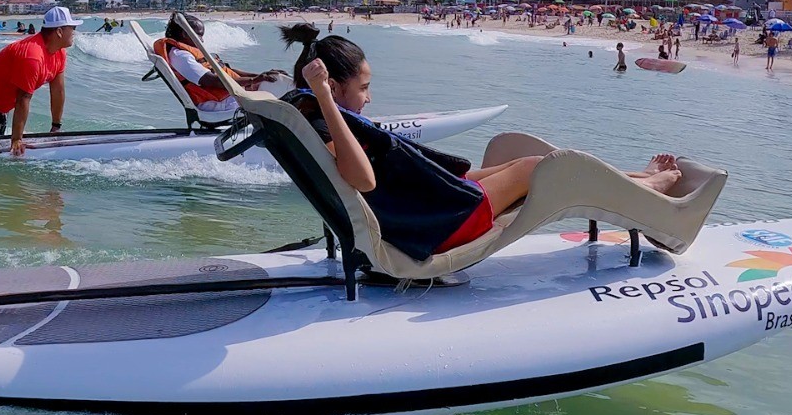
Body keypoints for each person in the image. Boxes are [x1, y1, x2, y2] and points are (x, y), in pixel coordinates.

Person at [275, 23, 682, 262]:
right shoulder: (327, 124)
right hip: (439, 226)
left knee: (523, 162)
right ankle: (650, 188)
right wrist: (328, 100)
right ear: (332, 85)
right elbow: (363, 181)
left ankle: (636, 180)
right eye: (363, 88)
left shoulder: (316, 120)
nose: (369, 97)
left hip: (425, 212)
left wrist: (328, 102)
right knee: (541, 168)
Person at [0, 5, 77, 155]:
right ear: (59, 32)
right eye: (72, 28)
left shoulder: (60, 53)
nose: (74, 32)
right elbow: (23, 99)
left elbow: (58, 90)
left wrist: (56, 126)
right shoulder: (33, 56)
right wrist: (17, 140)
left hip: (0, 98)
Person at [154, 14, 284, 127]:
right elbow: (210, 81)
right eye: (199, 35)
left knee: (278, 88)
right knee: (283, 101)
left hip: (228, 96)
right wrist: (253, 80)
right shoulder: (181, 56)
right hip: (217, 105)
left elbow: (226, 70)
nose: (202, 40)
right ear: (185, 34)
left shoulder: (187, 52)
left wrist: (261, 75)